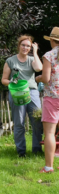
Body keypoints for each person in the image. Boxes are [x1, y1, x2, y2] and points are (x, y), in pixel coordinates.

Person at [1, 35, 43, 157]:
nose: (25, 48)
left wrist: (35, 52)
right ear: (19, 45)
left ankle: (37, 150)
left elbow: (39, 68)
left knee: (36, 121)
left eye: (28, 46)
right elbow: (3, 80)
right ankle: (21, 151)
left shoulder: (32, 60)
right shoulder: (10, 61)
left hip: (32, 92)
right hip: (17, 93)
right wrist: (12, 82)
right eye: (23, 45)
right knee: (19, 123)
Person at [36, 27, 59, 173]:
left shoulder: (49, 55)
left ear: (51, 40)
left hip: (53, 97)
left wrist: (38, 78)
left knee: (50, 133)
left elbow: (45, 78)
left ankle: (48, 167)